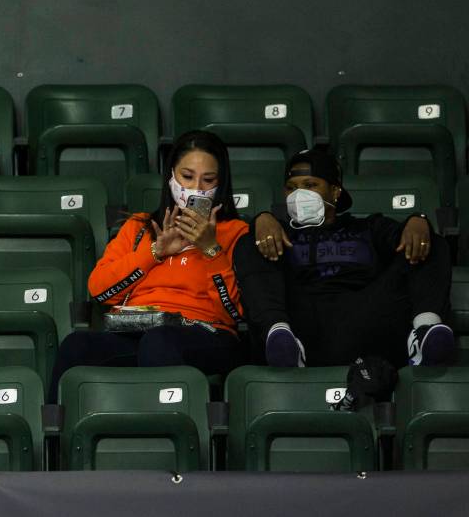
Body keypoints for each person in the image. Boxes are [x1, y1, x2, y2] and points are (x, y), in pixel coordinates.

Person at [49, 130, 248, 401]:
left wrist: (210, 249)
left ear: (221, 184)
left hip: (206, 334)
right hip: (138, 328)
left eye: (208, 180)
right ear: (171, 178)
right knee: (76, 345)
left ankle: (161, 436)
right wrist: (154, 253)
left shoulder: (236, 232)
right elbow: (100, 290)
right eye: (187, 177)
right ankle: (57, 439)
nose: (196, 188)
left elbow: (234, 313)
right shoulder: (139, 227)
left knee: (161, 341)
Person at [235, 149, 454, 369]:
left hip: (365, 319)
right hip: (301, 325)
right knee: (249, 244)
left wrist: (418, 220)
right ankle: (279, 336)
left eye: (310, 185)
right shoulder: (279, 233)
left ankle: (425, 332)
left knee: (428, 242)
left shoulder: (368, 227)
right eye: (291, 188)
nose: (298, 195)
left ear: (335, 191)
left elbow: (408, 238)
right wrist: (260, 221)